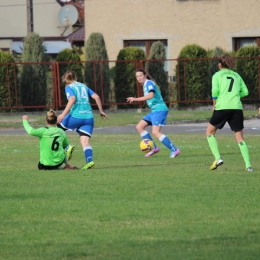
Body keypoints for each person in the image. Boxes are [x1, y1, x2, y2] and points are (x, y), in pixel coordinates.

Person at [206, 54, 252, 171]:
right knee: (240, 138)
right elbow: (246, 92)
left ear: (220, 65)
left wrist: (214, 105)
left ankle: (217, 158)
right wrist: (235, 96)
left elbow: (215, 92)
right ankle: (248, 166)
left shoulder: (217, 75)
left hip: (222, 107)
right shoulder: (236, 75)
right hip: (236, 108)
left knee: (210, 132)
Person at [57, 70, 108, 170]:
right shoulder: (84, 86)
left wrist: (63, 114)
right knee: (84, 141)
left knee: (57, 129)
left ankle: (68, 147)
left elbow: (72, 99)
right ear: (75, 78)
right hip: (89, 117)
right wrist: (101, 111)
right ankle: (89, 162)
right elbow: (96, 97)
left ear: (65, 79)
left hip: (76, 116)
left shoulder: (69, 87)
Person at [126, 68, 180, 158]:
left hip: (160, 110)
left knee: (155, 132)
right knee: (139, 127)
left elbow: (151, 95)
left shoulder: (149, 83)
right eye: (137, 77)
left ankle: (174, 149)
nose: (139, 78)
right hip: (154, 111)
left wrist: (135, 99)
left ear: (145, 75)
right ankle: (154, 147)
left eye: (140, 76)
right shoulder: (145, 85)